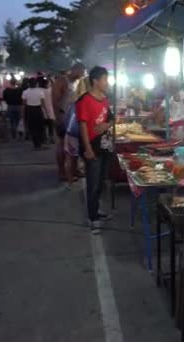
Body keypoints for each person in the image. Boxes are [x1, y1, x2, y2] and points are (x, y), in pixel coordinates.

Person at [77, 66, 114, 233]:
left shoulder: (105, 99)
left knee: (100, 183)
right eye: (105, 79)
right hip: (92, 147)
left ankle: (96, 209)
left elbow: (112, 119)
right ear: (95, 81)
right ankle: (92, 219)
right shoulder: (84, 101)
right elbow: (83, 126)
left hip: (106, 146)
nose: (107, 82)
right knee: (92, 184)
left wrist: (106, 124)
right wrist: (87, 148)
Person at [52, 63, 86, 181]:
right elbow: (55, 101)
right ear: (75, 70)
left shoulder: (77, 82)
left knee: (74, 145)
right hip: (62, 117)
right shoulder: (62, 81)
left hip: (73, 118)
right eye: (81, 72)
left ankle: (74, 169)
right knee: (61, 145)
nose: (82, 75)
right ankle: (61, 172)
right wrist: (58, 118)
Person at [22, 78, 47, 150]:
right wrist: (46, 112)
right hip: (38, 110)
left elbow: (24, 104)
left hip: (29, 110)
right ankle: (40, 143)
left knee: (32, 127)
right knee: (40, 126)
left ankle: (36, 143)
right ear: (36, 84)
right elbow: (43, 103)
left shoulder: (25, 92)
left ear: (28, 84)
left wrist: (23, 113)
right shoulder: (40, 92)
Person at [38, 77, 56, 144]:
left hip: (41, 110)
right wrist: (51, 79)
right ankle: (51, 138)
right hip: (50, 110)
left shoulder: (39, 90)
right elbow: (54, 86)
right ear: (46, 84)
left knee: (43, 126)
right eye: (48, 83)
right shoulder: (50, 90)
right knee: (51, 126)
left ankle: (44, 138)